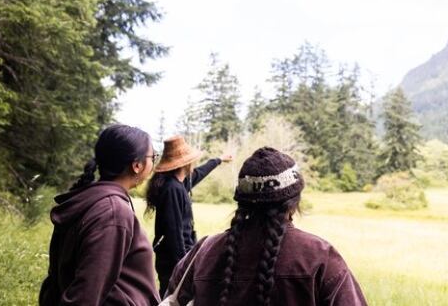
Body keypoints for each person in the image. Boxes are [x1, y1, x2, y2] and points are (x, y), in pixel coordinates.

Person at [165, 147, 368, 306]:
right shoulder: (320, 256)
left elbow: (171, 297)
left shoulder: (204, 252)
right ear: (295, 201)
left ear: (242, 201)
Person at [39, 124, 160, 306]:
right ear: (137, 165)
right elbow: (85, 295)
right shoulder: (113, 213)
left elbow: (55, 282)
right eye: (153, 157)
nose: (154, 163)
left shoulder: (89, 200)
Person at [145, 135, 232, 294]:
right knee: (171, 299)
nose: (195, 162)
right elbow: (174, 234)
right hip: (173, 262)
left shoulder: (180, 183)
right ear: (185, 163)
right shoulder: (173, 189)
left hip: (178, 258)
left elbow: (200, 172)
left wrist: (218, 160)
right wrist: (184, 267)